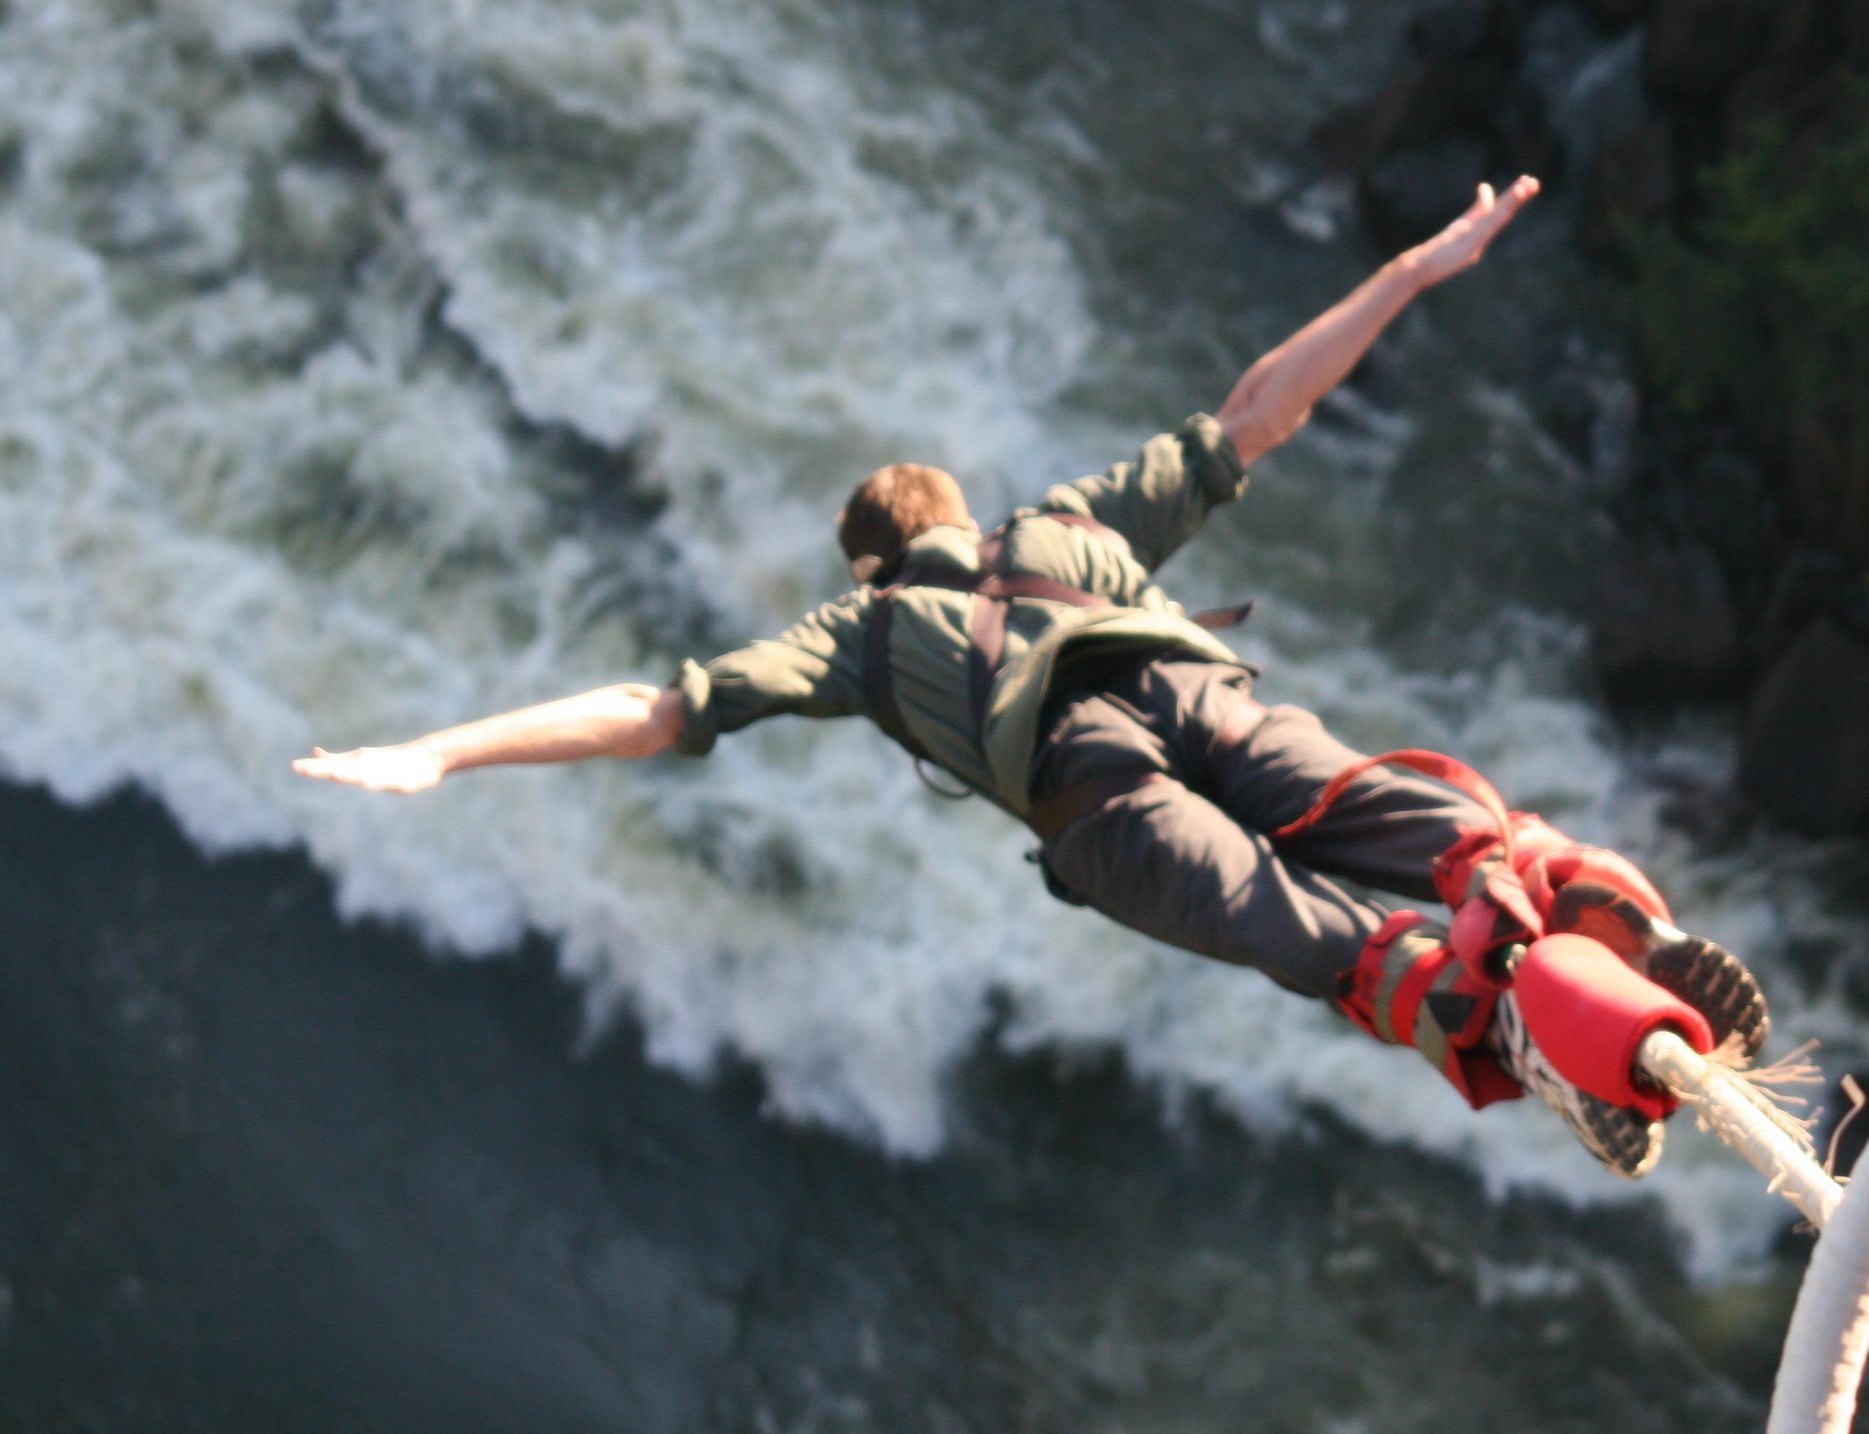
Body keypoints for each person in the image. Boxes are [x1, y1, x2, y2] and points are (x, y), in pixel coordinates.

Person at [294, 178, 1766, 1176]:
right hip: (1205, 702)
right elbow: (1267, 408)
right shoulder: (1063, 526)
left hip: (1102, 800)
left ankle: (1515, 1027)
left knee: (1339, 950)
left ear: (876, 564)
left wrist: (442, 751)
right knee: (1442, 834)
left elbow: (662, 711)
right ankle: (1581, 907)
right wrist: (1412, 270)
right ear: (959, 511)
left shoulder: (864, 638)